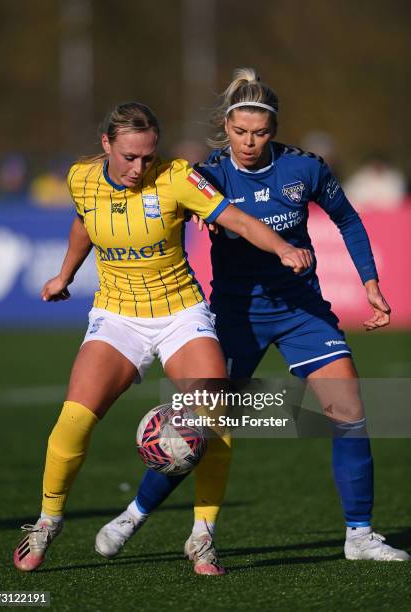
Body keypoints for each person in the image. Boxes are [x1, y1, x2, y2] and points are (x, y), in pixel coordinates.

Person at [99, 70, 409, 566]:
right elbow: (157, 211)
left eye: (260, 133)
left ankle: (360, 536)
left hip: (301, 312)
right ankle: (133, 514)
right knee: (200, 425)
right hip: (235, 316)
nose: (249, 142)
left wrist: (370, 282)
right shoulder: (210, 174)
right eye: (241, 132)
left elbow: (348, 220)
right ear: (227, 125)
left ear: (274, 128)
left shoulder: (304, 169)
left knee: (349, 411)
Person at [12, 101, 312, 574]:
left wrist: (282, 247)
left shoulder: (176, 177)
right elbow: (84, 225)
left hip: (179, 315)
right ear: (106, 145)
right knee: (74, 419)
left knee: (217, 415)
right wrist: (64, 275)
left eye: (148, 156)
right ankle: (48, 521)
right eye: (129, 156)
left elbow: (235, 219)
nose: (139, 167)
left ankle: (202, 538)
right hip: (116, 317)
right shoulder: (80, 178)